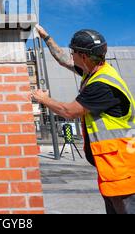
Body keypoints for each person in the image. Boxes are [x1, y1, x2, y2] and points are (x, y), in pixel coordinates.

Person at [33, 24, 135, 215]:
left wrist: (43, 99)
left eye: (74, 52)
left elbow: (68, 111)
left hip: (123, 169)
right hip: (113, 167)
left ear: (84, 56)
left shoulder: (101, 85)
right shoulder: (95, 71)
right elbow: (64, 60)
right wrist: (46, 37)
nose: (71, 55)